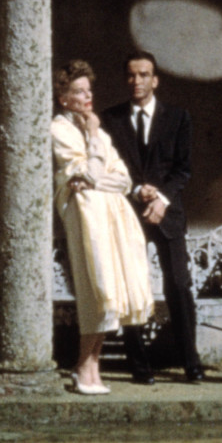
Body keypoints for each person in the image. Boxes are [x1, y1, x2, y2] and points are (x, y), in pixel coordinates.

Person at [102, 52, 204, 384]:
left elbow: (183, 170)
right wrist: (135, 190)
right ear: (126, 79)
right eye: (131, 75)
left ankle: (191, 362)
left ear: (155, 80)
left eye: (144, 74)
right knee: (132, 286)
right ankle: (139, 365)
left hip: (168, 215)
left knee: (179, 285)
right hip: (128, 212)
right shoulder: (110, 119)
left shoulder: (178, 118)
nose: (137, 81)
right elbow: (110, 168)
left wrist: (161, 199)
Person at [51, 60, 153, 394]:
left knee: (111, 289)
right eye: (79, 91)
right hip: (84, 214)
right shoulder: (60, 130)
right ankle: (83, 365)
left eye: (89, 90)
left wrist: (93, 176)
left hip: (111, 215)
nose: (87, 96)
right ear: (64, 99)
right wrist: (93, 147)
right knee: (96, 287)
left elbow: (123, 180)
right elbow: (89, 173)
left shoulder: (100, 134)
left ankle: (92, 366)